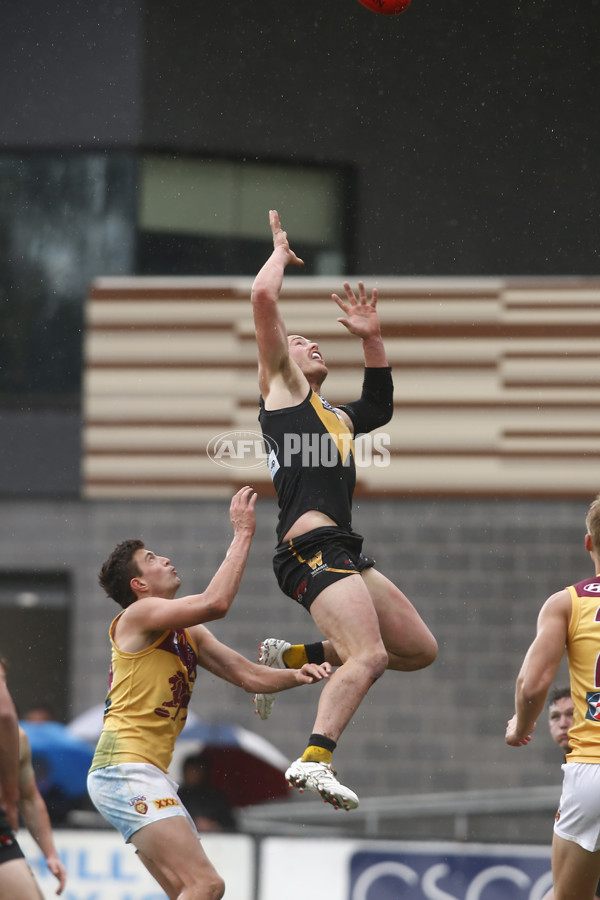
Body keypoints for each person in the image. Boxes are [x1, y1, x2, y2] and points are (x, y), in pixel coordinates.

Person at [250, 210, 438, 811]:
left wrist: (371, 337)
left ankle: (295, 656)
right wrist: (280, 253)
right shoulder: (282, 391)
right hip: (308, 548)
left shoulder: (334, 415)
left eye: (313, 339)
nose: (308, 343)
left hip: (341, 549)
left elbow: (378, 407)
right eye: (300, 340)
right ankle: (315, 760)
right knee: (372, 655)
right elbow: (261, 297)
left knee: (416, 648)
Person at [87, 485, 330, 900]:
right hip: (124, 770)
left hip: (147, 775)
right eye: (151, 559)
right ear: (139, 585)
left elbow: (249, 676)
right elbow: (217, 602)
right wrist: (242, 533)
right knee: (207, 885)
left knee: (190, 890)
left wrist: (299, 675)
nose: (165, 559)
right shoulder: (139, 614)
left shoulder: (187, 631)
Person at [506, 491, 600, 900]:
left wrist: (520, 726)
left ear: (588, 542)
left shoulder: (567, 603)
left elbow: (533, 683)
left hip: (593, 773)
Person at [0, 658, 67, 898]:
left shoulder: (18, 739)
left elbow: (29, 798)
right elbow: (5, 714)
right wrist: (8, 799)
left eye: (3, 682)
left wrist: (50, 854)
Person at [543, 687, 600, 900]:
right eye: (555, 717)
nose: (563, 723)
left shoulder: (591, 768)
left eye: (571, 714)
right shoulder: (570, 768)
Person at [177, 754, 237, 833]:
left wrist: (214, 826)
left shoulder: (216, 797)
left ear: (203, 772)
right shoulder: (176, 795)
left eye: (195, 770)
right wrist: (190, 825)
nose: (192, 774)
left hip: (214, 840)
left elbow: (230, 825)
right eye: (189, 770)